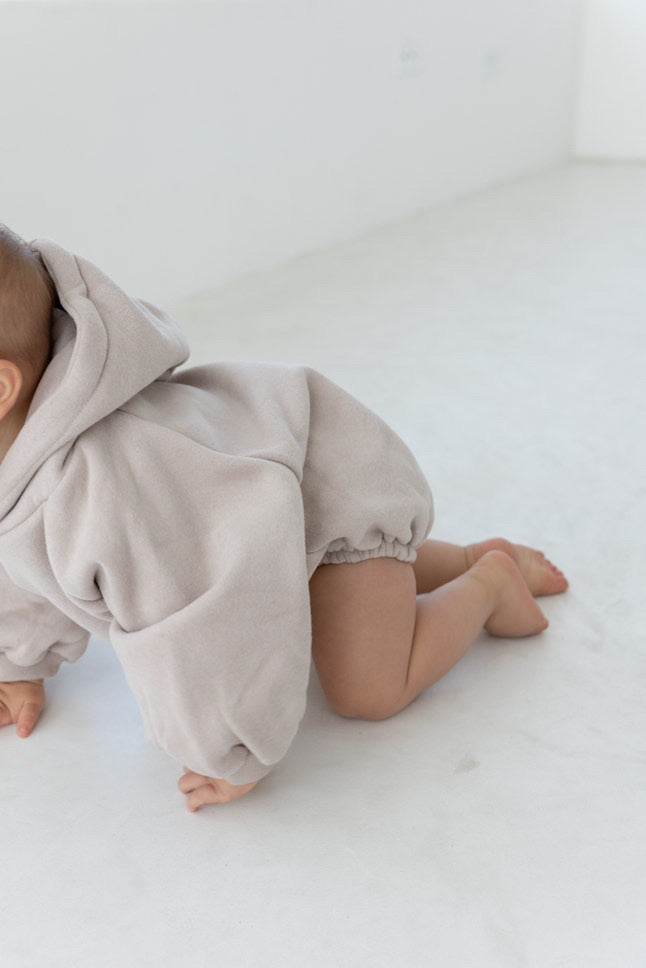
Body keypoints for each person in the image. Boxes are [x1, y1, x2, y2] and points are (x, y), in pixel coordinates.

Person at [0, 225, 567, 811]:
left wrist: (231, 750)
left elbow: (210, 611)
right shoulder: (25, 460)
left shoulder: (102, 491)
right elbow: (24, 564)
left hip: (335, 484)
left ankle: (488, 583)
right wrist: (18, 664)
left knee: (368, 689)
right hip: (266, 499)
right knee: (330, 585)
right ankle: (461, 556)